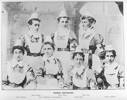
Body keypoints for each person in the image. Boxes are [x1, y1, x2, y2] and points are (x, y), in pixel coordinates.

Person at [51, 8, 77, 84]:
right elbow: (52, 46)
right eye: (62, 21)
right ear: (59, 22)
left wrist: (71, 57)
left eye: (66, 22)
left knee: (67, 74)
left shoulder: (70, 33)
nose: (64, 24)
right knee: (57, 73)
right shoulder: (54, 34)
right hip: (56, 55)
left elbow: (74, 47)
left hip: (67, 55)